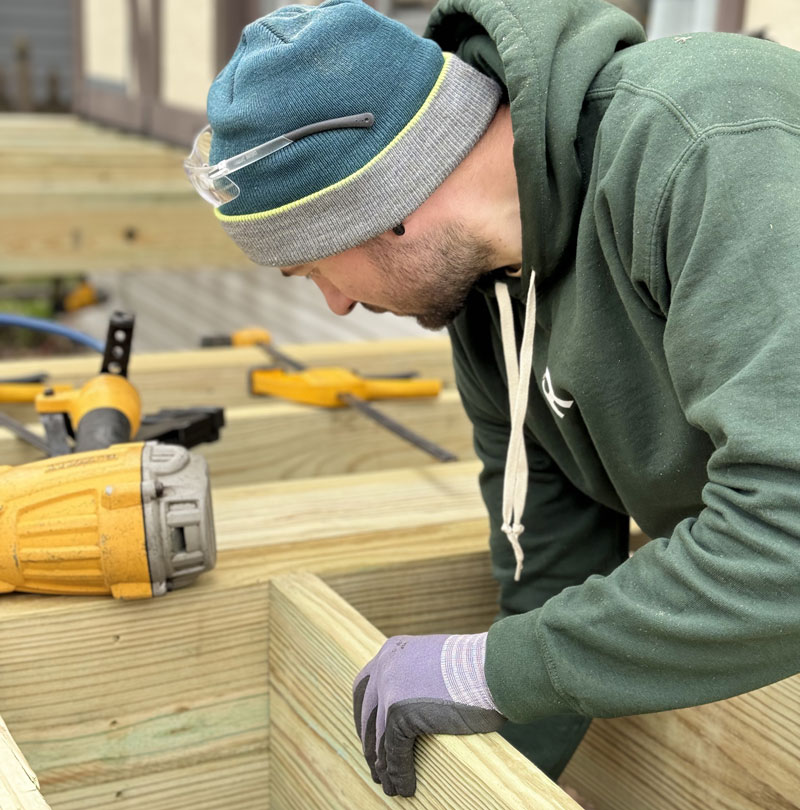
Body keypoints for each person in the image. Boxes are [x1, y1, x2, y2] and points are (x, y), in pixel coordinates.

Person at [185, 0, 800, 799]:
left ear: (384, 206)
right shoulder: (483, 305)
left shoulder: (705, 143)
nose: (335, 307)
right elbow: (550, 576)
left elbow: (786, 536)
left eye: (309, 269)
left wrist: (490, 669)